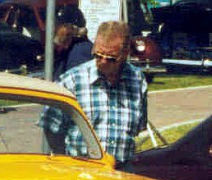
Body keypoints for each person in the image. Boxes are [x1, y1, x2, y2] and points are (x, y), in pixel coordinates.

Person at [39, 21, 148, 171]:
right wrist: (64, 161)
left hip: (122, 173)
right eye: (98, 55)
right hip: (82, 172)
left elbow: (139, 126)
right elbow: (51, 126)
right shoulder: (71, 81)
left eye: (111, 58)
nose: (102, 62)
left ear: (125, 53)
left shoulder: (137, 79)